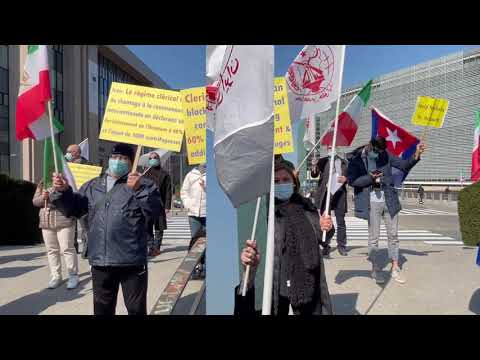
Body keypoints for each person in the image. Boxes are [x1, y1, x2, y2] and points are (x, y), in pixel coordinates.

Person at [50, 143, 161, 315]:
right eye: (115, 157)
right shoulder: (92, 186)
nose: (118, 161)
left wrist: (139, 191)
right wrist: (64, 192)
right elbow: (73, 209)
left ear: (131, 163)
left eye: (123, 158)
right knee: (102, 309)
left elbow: (155, 213)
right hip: (101, 260)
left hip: (131, 260)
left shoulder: (145, 185)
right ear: (109, 160)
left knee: (136, 309)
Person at [234, 159, 333, 316]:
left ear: (294, 183)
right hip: (277, 280)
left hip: (308, 280)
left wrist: (327, 227)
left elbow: (322, 238)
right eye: (276, 181)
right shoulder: (265, 211)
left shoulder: (307, 207)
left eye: (286, 180)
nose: (281, 184)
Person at [347, 136, 425, 285]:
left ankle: (395, 268)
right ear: (370, 146)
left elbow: (404, 165)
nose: (379, 153)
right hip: (371, 202)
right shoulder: (358, 159)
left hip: (389, 199)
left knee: (393, 235)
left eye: (381, 151)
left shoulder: (386, 154)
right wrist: (370, 178)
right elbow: (353, 181)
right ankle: (376, 269)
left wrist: (416, 154)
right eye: (377, 150)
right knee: (374, 238)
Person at [32, 181, 79, 289]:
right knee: (51, 250)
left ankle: (73, 275)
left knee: (67, 248)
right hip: (47, 221)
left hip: (64, 220)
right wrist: (43, 198)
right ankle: (56, 276)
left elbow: (70, 199)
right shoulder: (43, 183)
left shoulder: (65, 182)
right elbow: (35, 201)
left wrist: (52, 195)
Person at [311, 146, 349, 257]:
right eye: (328, 147)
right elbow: (314, 174)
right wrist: (314, 165)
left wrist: (346, 179)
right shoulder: (322, 161)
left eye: (332, 147)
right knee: (325, 220)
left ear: (336, 149)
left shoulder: (344, 163)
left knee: (341, 221)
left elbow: (350, 177)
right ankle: (325, 244)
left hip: (339, 194)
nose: (330, 149)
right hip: (325, 195)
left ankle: (341, 245)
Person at [143, 152, 172, 257]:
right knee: (148, 227)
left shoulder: (165, 174)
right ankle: (151, 247)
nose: (153, 159)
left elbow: (168, 191)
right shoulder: (145, 173)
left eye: (155, 157)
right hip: (147, 204)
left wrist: (167, 206)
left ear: (159, 159)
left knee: (159, 228)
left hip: (160, 204)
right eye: (151, 158)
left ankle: (157, 247)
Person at [180, 164, 206, 277]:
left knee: (206, 241)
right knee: (195, 239)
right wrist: (188, 204)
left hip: (207, 213)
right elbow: (184, 192)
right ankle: (195, 266)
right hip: (193, 213)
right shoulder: (190, 175)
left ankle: (204, 266)